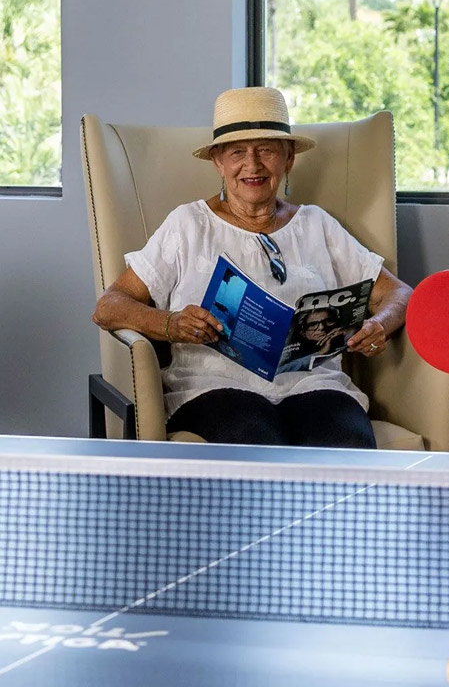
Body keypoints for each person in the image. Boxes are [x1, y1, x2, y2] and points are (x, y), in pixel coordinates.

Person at [92, 86, 410, 449]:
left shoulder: (317, 225)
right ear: (218, 162)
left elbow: (399, 293)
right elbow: (109, 306)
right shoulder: (188, 224)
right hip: (214, 389)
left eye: (267, 151)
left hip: (313, 385)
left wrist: (377, 325)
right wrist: (171, 324)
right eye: (237, 152)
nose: (253, 165)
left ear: (288, 158)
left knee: (346, 442)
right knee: (256, 441)